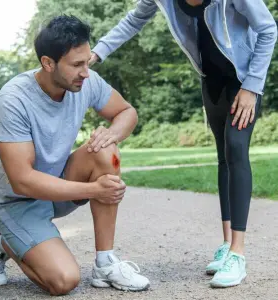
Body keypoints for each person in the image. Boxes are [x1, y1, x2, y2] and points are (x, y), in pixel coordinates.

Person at [89, 0, 277, 288]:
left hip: (244, 78)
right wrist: (96, 53)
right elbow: (133, 20)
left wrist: (252, 86)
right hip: (211, 79)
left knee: (237, 149)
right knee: (224, 156)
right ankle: (227, 246)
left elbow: (267, 28)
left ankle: (238, 254)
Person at [0, 15, 150, 296]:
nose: (86, 71)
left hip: (59, 184)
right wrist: (95, 189)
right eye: (77, 64)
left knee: (105, 148)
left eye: (87, 61)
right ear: (48, 63)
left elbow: (126, 112)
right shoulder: (14, 99)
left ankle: (105, 263)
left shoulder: (87, 82)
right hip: (16, 202)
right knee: (63, 281)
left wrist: (113, 134)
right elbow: (22, 181)